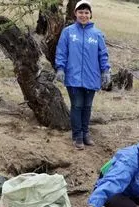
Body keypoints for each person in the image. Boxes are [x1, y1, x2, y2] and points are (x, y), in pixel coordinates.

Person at [55, 0, 111, 150]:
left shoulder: (97, 34)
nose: (83, 15)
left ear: (90, 14)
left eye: (86, 12)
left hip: (91, 77)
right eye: (80, 12)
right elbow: (61, 51)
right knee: (77, 105)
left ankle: (86, 134)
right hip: (73, 77)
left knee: (87, 106)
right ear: (75, 13)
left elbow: (103, 55)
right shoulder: (68, 32)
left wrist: (106, 71)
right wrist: (60, 68)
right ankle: (77, 136)